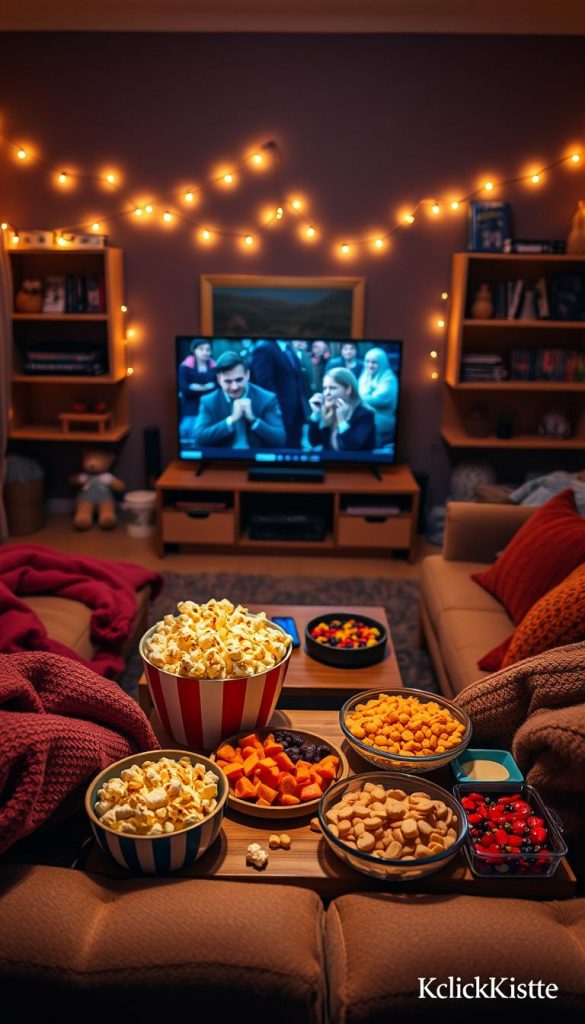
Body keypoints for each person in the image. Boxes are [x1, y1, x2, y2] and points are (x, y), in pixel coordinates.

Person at [193, 350, 286, 449]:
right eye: (228, 381)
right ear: (219, 379)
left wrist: (254, 421)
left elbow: (280, 440)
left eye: (239, 380)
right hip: (222, 462)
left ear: (247, 375)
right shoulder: (209, 401)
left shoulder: (267, 398)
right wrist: (231, 420)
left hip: (257, 461)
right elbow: (199, 439)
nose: (234, 387)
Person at [250, 339, 308, 448]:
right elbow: (264, 383)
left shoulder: (288, 348)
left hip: (296, 415)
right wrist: (277, 409)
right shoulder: (264, 349)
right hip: (279, 415)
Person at [308, 367, 375, 452]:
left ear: (348, 389)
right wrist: (316, 414)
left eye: (332, 388)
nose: (327, 393)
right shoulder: (329, 410)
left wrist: (342, 420)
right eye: (325, 388)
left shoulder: (365, 414)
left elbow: (353, 447)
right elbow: (315, 442)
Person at [358, 347, 399, 448]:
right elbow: (362, 394)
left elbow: (378, 400)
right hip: (365, 423)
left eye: (374, 362)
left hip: (382, 426)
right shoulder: (365, 375)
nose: (370, 365)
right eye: (367, 361)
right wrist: (367, 395)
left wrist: (359, 398)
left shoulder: (389, 379)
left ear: (382, 363)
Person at [178, 340, 217, 439]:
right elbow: (184, 389)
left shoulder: (215, 367)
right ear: (194, 350)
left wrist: (196, 387)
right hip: (191, 408)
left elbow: (217, 387)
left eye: (208, 350)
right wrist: (207, 387)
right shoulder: (184, 367)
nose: (205, 352)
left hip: (211, 408)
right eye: (201, 349)